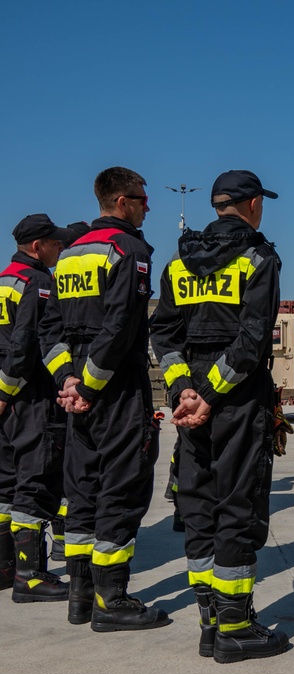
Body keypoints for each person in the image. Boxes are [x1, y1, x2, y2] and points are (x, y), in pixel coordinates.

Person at [149, 169, 286, 663]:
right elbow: (251, 341)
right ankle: (235, 627)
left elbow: (163, 335)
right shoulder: (259, 257)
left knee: (200, 506)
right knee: (237, 504)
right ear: (251, 206)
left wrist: (184, 388)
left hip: (190, 399)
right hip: (236, 394)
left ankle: (209, 622)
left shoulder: (177, 263)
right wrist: (208, 394)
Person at [39, 167, 167, 629]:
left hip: (77, 389)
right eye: (141, 199)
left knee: (82, 489)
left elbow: (48, 329)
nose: (147, 206)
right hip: (113, 388)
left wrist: (67, 382)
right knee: (122, 486)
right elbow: (120, 328)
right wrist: (89, 385)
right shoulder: (129, 250)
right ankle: (112, 602)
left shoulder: (69, 254)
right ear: (120, 202)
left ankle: (80, 595)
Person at [0, 216, 86, 601]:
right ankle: (30, 576)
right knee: (35, 482)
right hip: (29, 396)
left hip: (5, 401)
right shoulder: (38, 282)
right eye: (55, 244)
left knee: (5, 484)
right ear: (38, 247)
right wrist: (8, 391)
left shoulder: (4, 280)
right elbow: (24, 346)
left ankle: (5, 567)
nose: (59, 250)